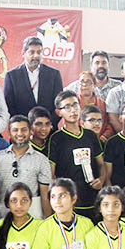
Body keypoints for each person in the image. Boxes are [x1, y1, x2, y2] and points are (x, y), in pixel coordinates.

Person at [49, 91, 105, 220]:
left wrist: (101, 179)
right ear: (59, 112)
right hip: (70, 203)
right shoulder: (56, 138)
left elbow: (101, 164)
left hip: (92, 199)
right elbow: (51, 174)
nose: (73, 110)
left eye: (75, 105)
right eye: (67, 107)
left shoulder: (90, 135)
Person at [30, 178, 94, 249]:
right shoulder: (45, 227)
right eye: (53, 197)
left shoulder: (87, 224)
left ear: (74, 199)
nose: (57, 201)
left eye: (62, 196)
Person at [0, 115, 51, 218]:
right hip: (3, 215)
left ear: (30, 131)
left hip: (32, 216)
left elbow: (45, 195)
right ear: (9, 133)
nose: (19, 134)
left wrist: (48, 221)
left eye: (24, 130)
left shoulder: (41, 160)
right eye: (15, 130)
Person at [3, 36, 63, 119]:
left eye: (39, 52)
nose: (36, 56)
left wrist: (48, 125)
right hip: (23, 128)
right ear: (23, 53)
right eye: (32, 52)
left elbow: (59, 104)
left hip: (49, 128)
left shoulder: (54, 74)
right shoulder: (12, 76)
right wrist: (22, 125)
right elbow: (9, 106)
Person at [0, 183, 43, 249]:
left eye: (24, 200)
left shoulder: (40, 226)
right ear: (8, 203)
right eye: (14, 201)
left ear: (30, 202)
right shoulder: (0, 225)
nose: (19, 205)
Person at [75, 71, 114, 140]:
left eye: (88, 82)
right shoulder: (73, 102)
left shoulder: (101, 103)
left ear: (95, 85)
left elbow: (108, 124)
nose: (84, 85)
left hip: (98, 140)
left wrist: (104, 137)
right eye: (82, 82)